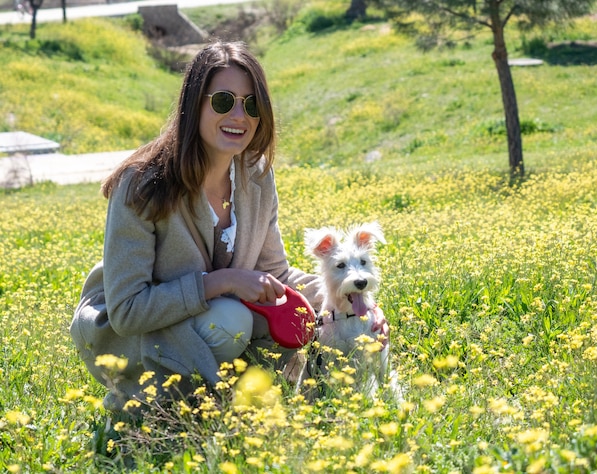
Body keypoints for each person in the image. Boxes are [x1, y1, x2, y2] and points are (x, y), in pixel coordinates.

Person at [70, 40, 388, 412]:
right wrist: (224, 281)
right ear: (194, 104)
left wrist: (350, 301)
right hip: (137, 335)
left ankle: (223, 400)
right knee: (231, 315)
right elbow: (128, 311)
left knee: (257, 318)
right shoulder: (141, 184)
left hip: (209, 323)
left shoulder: (255, 176)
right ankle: (161, 407)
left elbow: (275, 274)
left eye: (251, 104)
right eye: (224, 101)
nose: (240, 115)